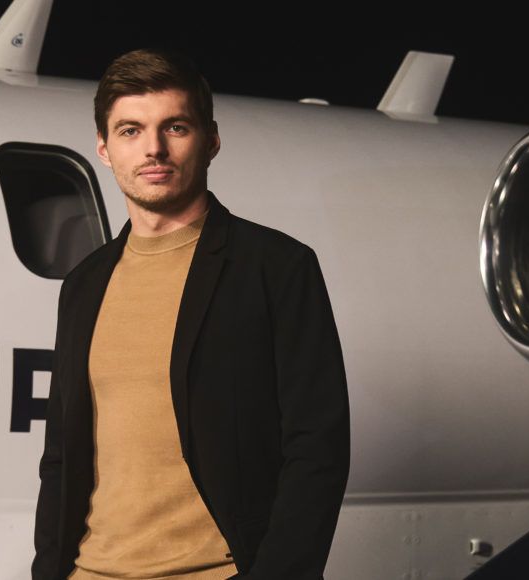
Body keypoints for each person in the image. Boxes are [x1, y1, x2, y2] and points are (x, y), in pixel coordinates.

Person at [32, 48, 350, 580]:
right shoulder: (83, 284)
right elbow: (60, 456)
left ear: (211, 140)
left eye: (175, 127)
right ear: (104, 148)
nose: (153, 149)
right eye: (131, 131)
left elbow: (318, 448)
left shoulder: (276, 267)